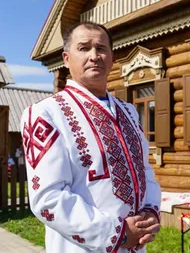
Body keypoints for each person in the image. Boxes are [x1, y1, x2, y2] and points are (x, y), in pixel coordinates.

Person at [20, 22, 161, 253]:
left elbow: (144, 170)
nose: (94, 56)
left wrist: (149, 212)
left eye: (101, 48)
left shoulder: (129, 112)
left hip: (136, 246)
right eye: (84, 48)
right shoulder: (47, 113)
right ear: (66, 59)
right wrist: (118, 234)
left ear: (112, 58)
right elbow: (47, 198)